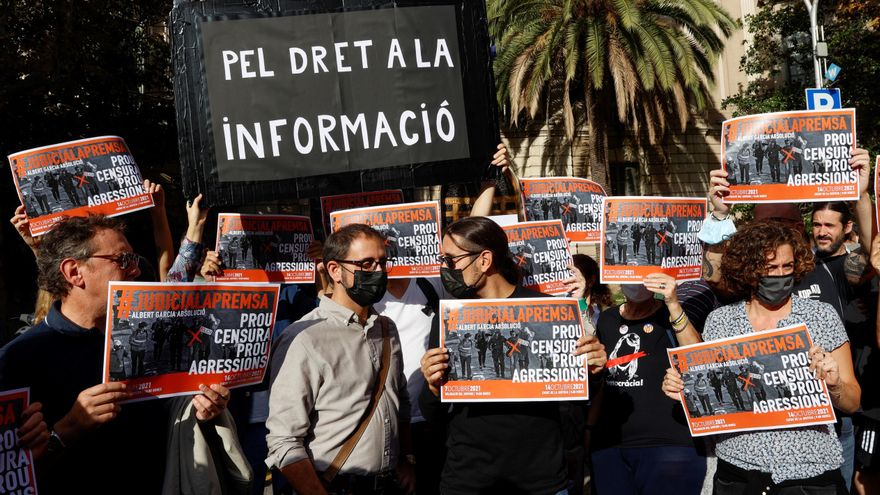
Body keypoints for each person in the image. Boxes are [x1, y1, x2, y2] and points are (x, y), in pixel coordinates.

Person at [0, 215, 230, 494]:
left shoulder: (151, 334)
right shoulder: (17, 360)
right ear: (74, 272)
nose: (135, 270)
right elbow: (12, 477)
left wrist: (201, 408)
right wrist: (67, 430)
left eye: (134, 259)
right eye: (123, 260)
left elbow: (169, 418)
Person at [663, 220, 860, 493]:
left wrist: (834, 384)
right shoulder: (721, 321)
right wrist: (682, 388)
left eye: (787, 267)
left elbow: (852, 402)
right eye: (770, 268)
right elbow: (709, 395)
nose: (780, 275)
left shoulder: (821, 316)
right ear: (749, 269)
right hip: (738, 472)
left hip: (810, 473)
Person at [418, 216, 607, 494]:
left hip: (540, 479)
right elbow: (432, 411)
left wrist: (594, 369)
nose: (445, 268)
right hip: (469, 479)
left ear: (484, 260)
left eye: (450, 260)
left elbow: (577, 394)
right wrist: (433, 386)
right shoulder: (449, 318)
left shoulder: (553, 311)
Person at [266, 224, 415, 495]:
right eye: (366, 264)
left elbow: (400, 402)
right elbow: (284, 440)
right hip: (335, 486)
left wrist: (405, 460)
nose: (379, 272)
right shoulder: (304, 338)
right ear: (335, 270)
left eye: (383, 262)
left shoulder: (387, 329)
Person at [588, 267, 705, 495]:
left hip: (668, 446)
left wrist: (673, 303)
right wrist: (589, 429)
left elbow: (698, 359)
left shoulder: (671, 315)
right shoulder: (607, 319)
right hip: (611, 446)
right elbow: (601, 381)